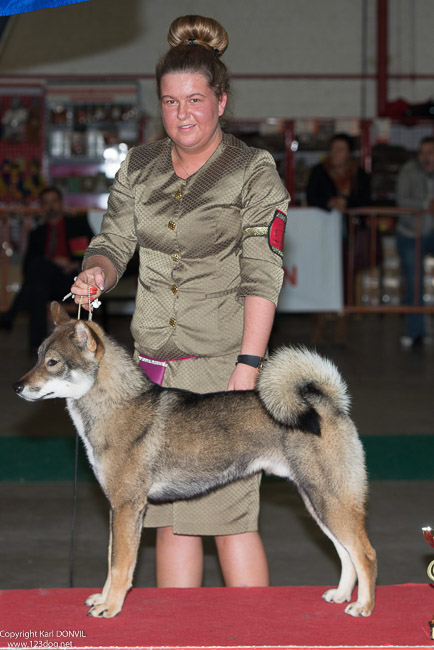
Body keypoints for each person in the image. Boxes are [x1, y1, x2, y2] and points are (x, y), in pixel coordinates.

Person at [70, 15, 290, 589]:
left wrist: (250, 364)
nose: (183, 114)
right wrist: (96, 270)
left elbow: (264, 273)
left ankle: (256, 634)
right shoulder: (139, 167)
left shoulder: (251, 171)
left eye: (195, 100)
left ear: (221, 101)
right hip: (153, 372)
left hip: (223, 366)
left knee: (231, 521)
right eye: (170, 102)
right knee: (168, 523)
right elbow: (114, 240)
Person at [0, 186, 94, 354]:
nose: (51, 206)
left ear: (61, 204)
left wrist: (73, 263)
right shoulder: (37, 233)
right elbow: (27, 268)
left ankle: (14, 319)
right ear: (42, 207)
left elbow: (92, 253)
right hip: (46, 283)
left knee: (37, 278)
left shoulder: (77, 225)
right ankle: (34, 344)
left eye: (54, 202)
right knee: (38, 275)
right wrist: (51, 262)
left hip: (72, 278)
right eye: (46, 203)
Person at [306, 133, 372, 346]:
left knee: (347, 280)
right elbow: (311, 196)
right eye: (333, 149)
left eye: (340, 150)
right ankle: (319, 327)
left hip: (348, 236)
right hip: (323, 236)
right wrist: (330, 202)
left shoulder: (358, 174)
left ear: (349, 153)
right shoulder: (319, 171)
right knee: (322, 279)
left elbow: (365, 201)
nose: (335, 154)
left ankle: (342, 331)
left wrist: (348, 205)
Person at [396, 136, 434, 348]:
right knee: (414, 282)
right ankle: (415, 332)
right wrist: (426, 204)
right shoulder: (408, 171)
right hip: (411, 233)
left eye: (430, 152)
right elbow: (401, 199)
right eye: (423, 152)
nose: (426, 157)